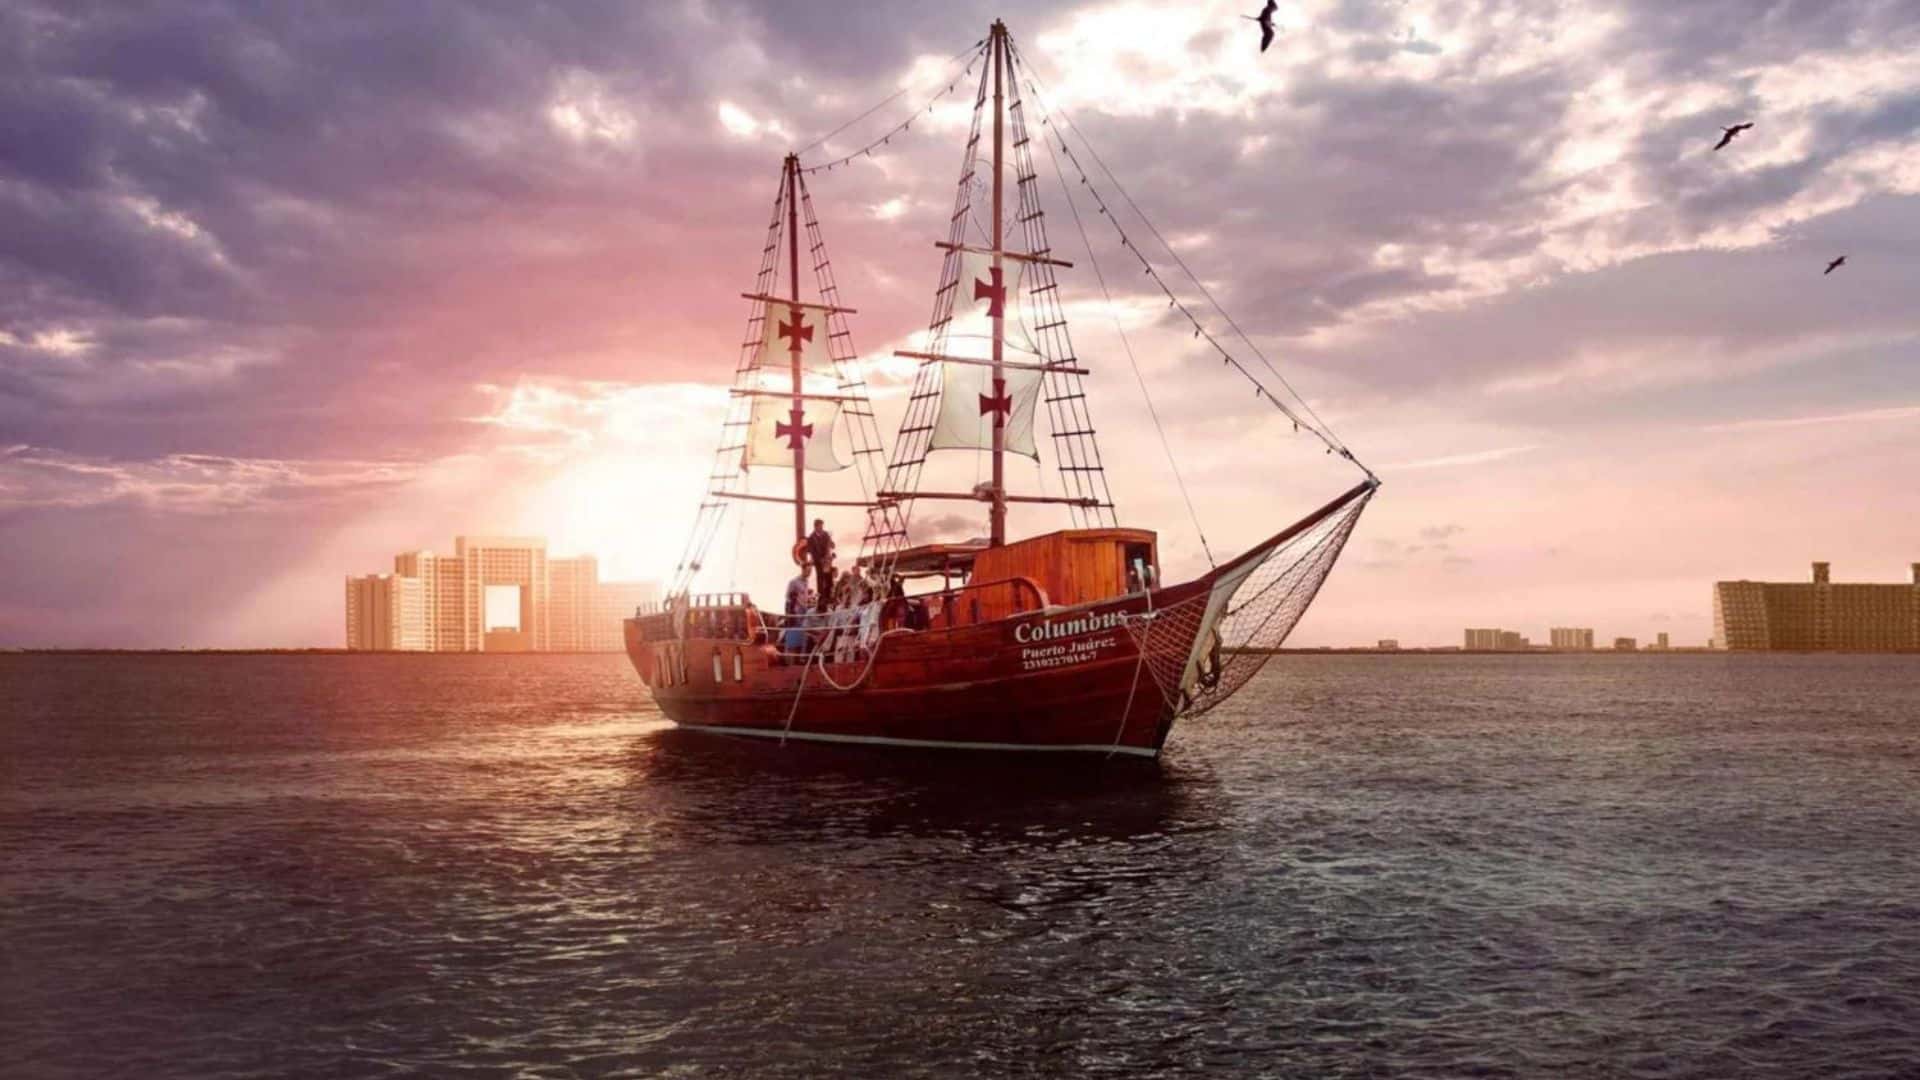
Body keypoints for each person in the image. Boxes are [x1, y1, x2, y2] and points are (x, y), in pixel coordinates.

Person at [806, 518, 835, 613]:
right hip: (818, 561)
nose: (822, 528)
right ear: (816, 526)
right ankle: (821, 598)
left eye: (822, 526)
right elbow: (811, 551)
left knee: (829, 578)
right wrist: (819, 560)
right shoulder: (811, 538)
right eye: (820, 526)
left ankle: (828, 596)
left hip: (826, 560)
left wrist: (831, 544)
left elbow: (831, 545)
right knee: (820, 578)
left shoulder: (826, 534)